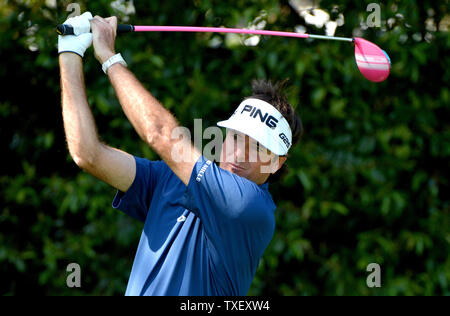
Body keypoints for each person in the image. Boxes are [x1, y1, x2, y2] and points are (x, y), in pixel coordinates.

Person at [58, 12, 303, 296]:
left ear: (276, 162)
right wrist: (70, 52)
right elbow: (87, 154)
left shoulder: (251, 208)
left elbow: (160, 134)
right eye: (235, 137)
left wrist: (108, 56)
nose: (239, 152)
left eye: (257, 146)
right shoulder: (175, 178)